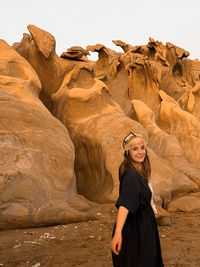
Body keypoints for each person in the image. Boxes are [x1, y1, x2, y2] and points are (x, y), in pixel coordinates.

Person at [111, 132, 164, 267]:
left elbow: (146, 192)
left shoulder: (140, 170)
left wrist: (153, 208)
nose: (140, 152)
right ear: (127, 152)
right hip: (136, 228)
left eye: (142, 147)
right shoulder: (131, 176)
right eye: (134, 149)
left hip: (144, 225)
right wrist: (118, 234)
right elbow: (125, 204)